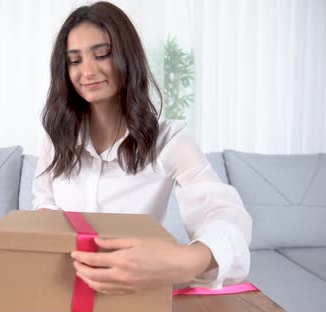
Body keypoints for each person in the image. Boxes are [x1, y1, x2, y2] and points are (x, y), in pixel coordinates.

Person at [33, 1, 252, 295]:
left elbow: (226, 214)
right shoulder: (55, 137)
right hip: (63, 291)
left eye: (102, 54)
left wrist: (187, 260)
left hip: (136, 296)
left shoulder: (169, 141)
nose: (87, 71)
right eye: (74, 60)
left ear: (127, 57)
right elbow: (44, 202)